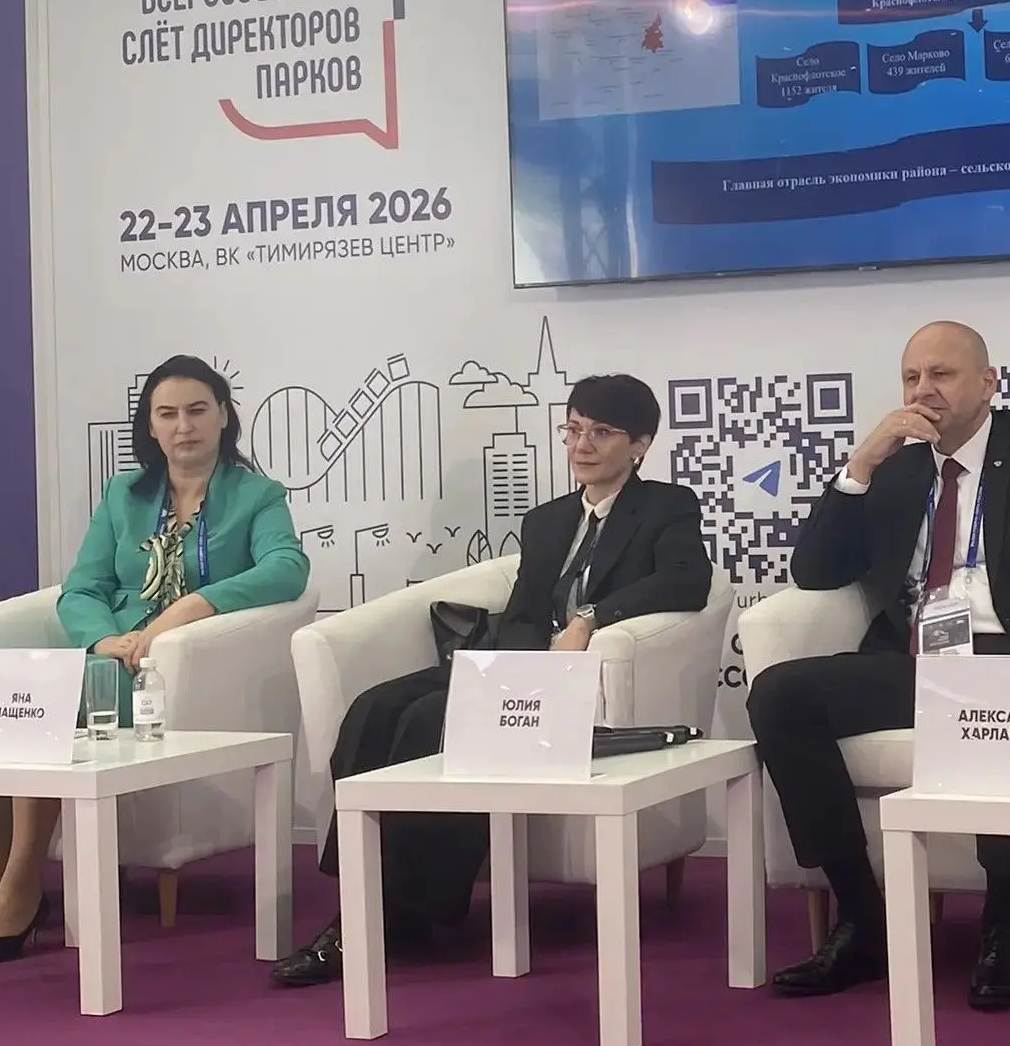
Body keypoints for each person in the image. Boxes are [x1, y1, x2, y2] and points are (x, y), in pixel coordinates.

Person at [748, 321, 1010, 1008]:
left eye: (941, 375)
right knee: (779, 696)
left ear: (988, 382)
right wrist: (861, 465)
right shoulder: (899, 467)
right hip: (920, 660)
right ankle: (863, 916)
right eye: (911, 377)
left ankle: (1007, 922)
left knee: (993, 710)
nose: (924, 390)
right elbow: (816, 570)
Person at [272, 374, 712, 988]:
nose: (581, 445)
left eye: (602, 433)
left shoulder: (666, 507)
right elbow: (525, 609)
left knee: (430, 721)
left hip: (577, 679)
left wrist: (591, 618)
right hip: (516, 666)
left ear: (640, 444)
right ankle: (366, 893)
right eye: (572, 429)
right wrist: (506, 668)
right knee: (374, 708)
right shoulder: (547, 521)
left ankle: (385, 917)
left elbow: (688, 581)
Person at [0, 355, 309, 966]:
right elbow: (82, 588)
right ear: (150, 427)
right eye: (168, 414)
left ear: (224, 415)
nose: (184, 426)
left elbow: (287, 569)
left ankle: (21, 885)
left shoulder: (257, 496)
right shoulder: (123, 495)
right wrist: (102, 639)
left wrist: (188, 609)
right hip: (111, 653)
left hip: (174, 665)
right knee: (13, 693)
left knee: (48, 701)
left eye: (197, 410)